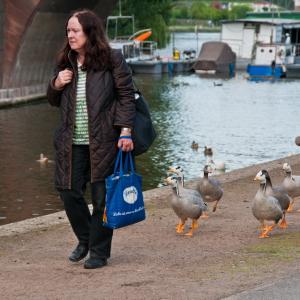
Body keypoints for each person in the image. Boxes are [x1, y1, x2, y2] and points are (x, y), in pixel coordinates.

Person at [47, 9, 135, 269]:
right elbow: (52, 100)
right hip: (70, 142)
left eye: (75, 30)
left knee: (101, 200)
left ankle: (99, 252)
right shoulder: (65, 60)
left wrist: (126, 130)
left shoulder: (112, 59)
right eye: (68, 31)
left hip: (104, 141)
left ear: (89, 32)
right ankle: (86, 239)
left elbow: (126, 96)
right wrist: (56, 84)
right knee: (68, 192)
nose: (70, 35)